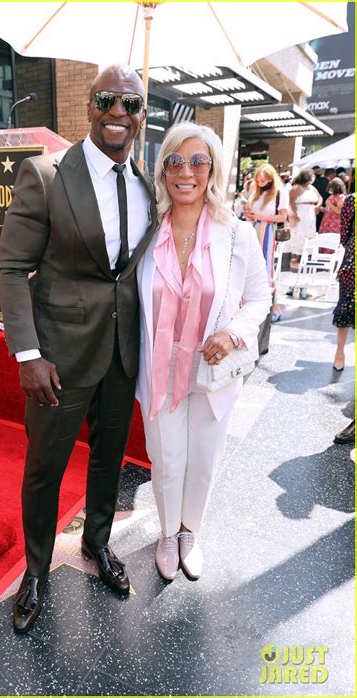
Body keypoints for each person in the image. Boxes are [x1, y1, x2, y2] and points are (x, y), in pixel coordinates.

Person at [0, 64, 157, 633]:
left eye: (131, 104)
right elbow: (14, 269)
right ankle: (35, 572)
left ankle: (97, 544)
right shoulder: (44, 174)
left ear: (143, 114)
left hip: (121, 352)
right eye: (108, 100)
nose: (119, 112)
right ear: (89, 105)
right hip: (57, 358)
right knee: (45, 469)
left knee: (110, 461)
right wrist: (27, 354)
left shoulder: (146, 185)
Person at [136, 123, 270, 581]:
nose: (185, 171)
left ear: (212, 169)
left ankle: (191, 531)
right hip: (158, 364)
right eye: (174, 160)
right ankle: (167, 532)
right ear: (163, 170)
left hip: (212, 368)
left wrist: (233, 333)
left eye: (197, 160)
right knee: (167, 458)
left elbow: (259, 298)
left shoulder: (237, 234)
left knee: (204, 458)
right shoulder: (147, 229)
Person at [244, 163, 288, 322]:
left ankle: (274, 306)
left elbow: (283, 217)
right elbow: (251, 215)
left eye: (263, 180)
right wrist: (249, 214)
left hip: (268, 232)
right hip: (253, 230)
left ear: (270, 179)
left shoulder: (280, 193)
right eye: (258, 180)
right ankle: (254, 305)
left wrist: (261, 216)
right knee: (251, 268)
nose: (260, 183)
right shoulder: (255, 192)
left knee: (266, 268)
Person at [332, 192, 355, 372]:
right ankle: (340, 351)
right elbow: (344, 233)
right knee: (347, 304)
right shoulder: (352, 199)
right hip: (353, 260)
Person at [288, 169, 322, 271]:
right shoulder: (296, 187)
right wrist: (295, 213)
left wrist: (318, 206)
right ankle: (294, 259)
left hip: (310, 213)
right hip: (300, 212)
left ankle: (307, 257)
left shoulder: (311, 188)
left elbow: (320, 198)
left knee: (309, 234)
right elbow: (291, 201)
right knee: (297, 234)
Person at [318, 177, 346, 252]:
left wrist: (329, 204)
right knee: (324, 238)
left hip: (334, 223)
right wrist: (322, 209)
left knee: (332, 239)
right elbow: (329, 210)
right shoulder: (331, 196)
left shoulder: (341, 197)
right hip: (327, 222)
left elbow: (338, 211)